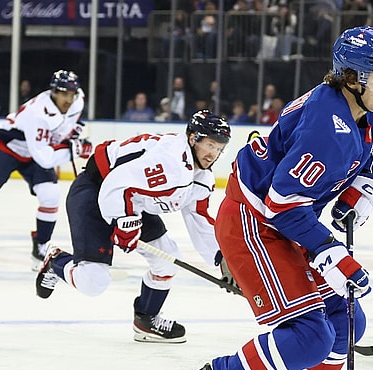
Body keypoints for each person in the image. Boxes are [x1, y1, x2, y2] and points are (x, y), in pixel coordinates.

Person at [167, 26, 373, 370]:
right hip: (254, 221)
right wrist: (331, 253)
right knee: (311, 337)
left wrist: (366, 185)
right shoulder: (325, 129)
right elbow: (281, 204)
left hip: (290, 219)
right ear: (351, 77)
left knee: (348, 322)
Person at [35, 110, 232, 343]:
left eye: (219, 148)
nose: (213, 154)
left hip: (132, 201)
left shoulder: (200, 177)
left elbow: (199, 219)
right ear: (193, 138)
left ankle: (146, 320)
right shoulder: (170, 161)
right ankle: (56, 263)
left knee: (167, 258)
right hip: (95, 191)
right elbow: (117, 184)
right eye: (210, 145)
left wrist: (223, 259)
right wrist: (125, 222)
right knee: (93, 282)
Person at [0, 70, 89, 269]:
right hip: (7, 148)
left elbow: (67, 129)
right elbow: (46, 158)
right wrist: (75, 149)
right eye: (63, 93)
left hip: (34, 150)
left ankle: (40, 248)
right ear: (53, 92)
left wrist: (73, 135)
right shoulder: (37, 113)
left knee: (50, 194)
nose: (68, 98)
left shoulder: (78, 101)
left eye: (71, 94)